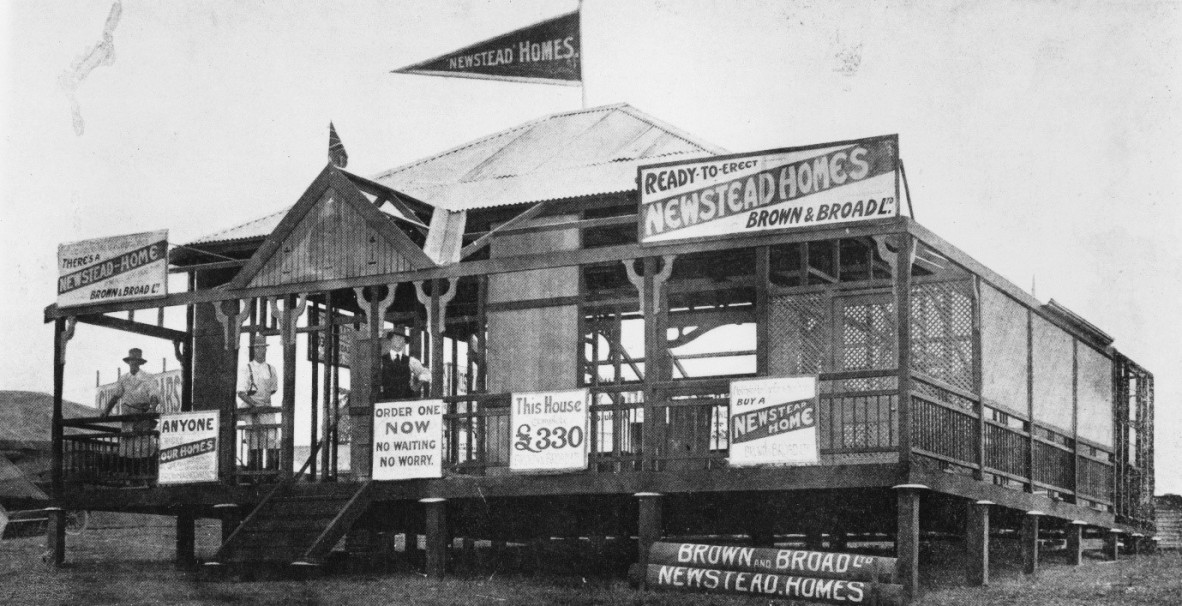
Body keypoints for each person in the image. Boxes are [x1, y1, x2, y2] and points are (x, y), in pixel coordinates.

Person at [100, 348, 160, 474]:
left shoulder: (148, 378)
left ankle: (144, 477)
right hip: (127, 416)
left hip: (142, 415)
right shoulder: (123, 379)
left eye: (136, 361)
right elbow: (116, 396)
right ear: (128, 362)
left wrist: (152, 409)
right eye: (131, 361)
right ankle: (130, 477)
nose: (133, 363)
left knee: (144, 447)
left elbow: (154, 395)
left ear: (140, 363)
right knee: (128, 447)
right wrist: (106, 411)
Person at [236, 335, 279, 471]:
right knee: (254, 441)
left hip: (267, 409)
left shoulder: (271, 369)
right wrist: (254, 405)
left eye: (264, 348)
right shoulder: (246, 368)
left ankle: (271, 474)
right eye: (259, 348)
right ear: (254, 350)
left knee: (273, 440)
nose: (262, 351)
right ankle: (255, 473)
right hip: (251, 409)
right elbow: (241, 392)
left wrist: (263, 402)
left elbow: (272, 390)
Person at [378, 330, 431, 400]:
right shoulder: (381, 360)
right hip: (387, 402)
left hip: (406, 402)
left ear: (405, 343)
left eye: (401, 339)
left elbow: (426, 373)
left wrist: (416, 386)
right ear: (391, 340)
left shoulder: (411, 361)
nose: (399, 341)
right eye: (396, 338)